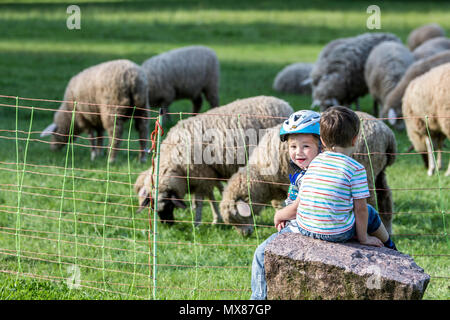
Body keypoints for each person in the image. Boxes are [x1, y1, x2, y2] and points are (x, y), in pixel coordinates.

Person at [275, 106, 397, 250]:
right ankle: (390, 245)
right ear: (355, 140)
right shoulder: (356, 168)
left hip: (305, 229)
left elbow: (299, 204)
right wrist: (364, 238)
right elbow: (361, 210)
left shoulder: (314, 164)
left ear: (323, 142)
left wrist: (278, 215)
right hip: (338, 234)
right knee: (369, 211)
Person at [250, 110, 321, 300]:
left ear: (321, 146)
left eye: (306, 146)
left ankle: (258, 301)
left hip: (307, 225)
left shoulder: (312, 174)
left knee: (261, 255)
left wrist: (281, 215)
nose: (298, 152)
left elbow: (301, 205)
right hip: (301, 222)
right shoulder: (304, 170)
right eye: (293, 146)